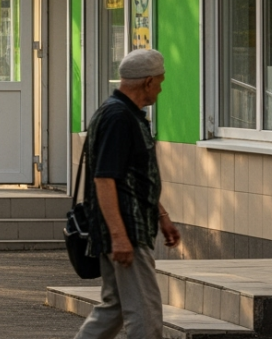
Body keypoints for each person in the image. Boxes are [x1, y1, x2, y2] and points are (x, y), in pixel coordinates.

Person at [75, 49, 180, 339]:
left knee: (115, 308)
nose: (160, 89)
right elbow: (104, 178)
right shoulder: (119, 117)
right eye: (160, 82)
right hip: (126, 230)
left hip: (125, 227)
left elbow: (134, 177)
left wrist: (161, 215)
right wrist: (120, 237)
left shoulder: (123, 114)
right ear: (148, 82)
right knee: (146, 314)